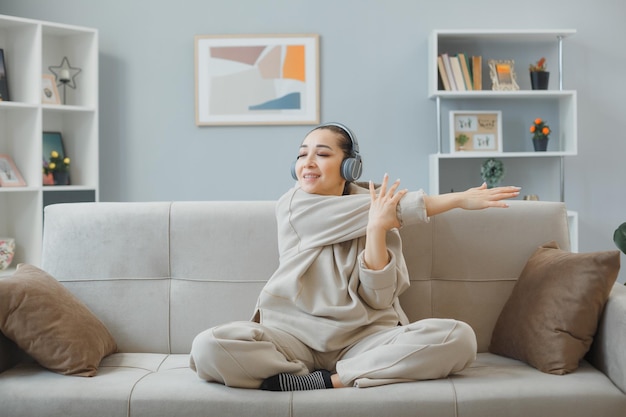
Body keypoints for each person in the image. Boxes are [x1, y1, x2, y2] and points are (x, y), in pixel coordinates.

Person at [189, 122, 520, 391]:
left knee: (458, 338)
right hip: (293, 338)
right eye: (303, 154)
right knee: (210, 346)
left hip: (365, 339)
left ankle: (328, 381)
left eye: (322, 154)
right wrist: (458, 199)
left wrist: (377, 230)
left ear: (349, 166)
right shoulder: (294, 206)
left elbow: (379, 298)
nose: (307, 162)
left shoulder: (379, 211)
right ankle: (315, 373)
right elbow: (400, 208)